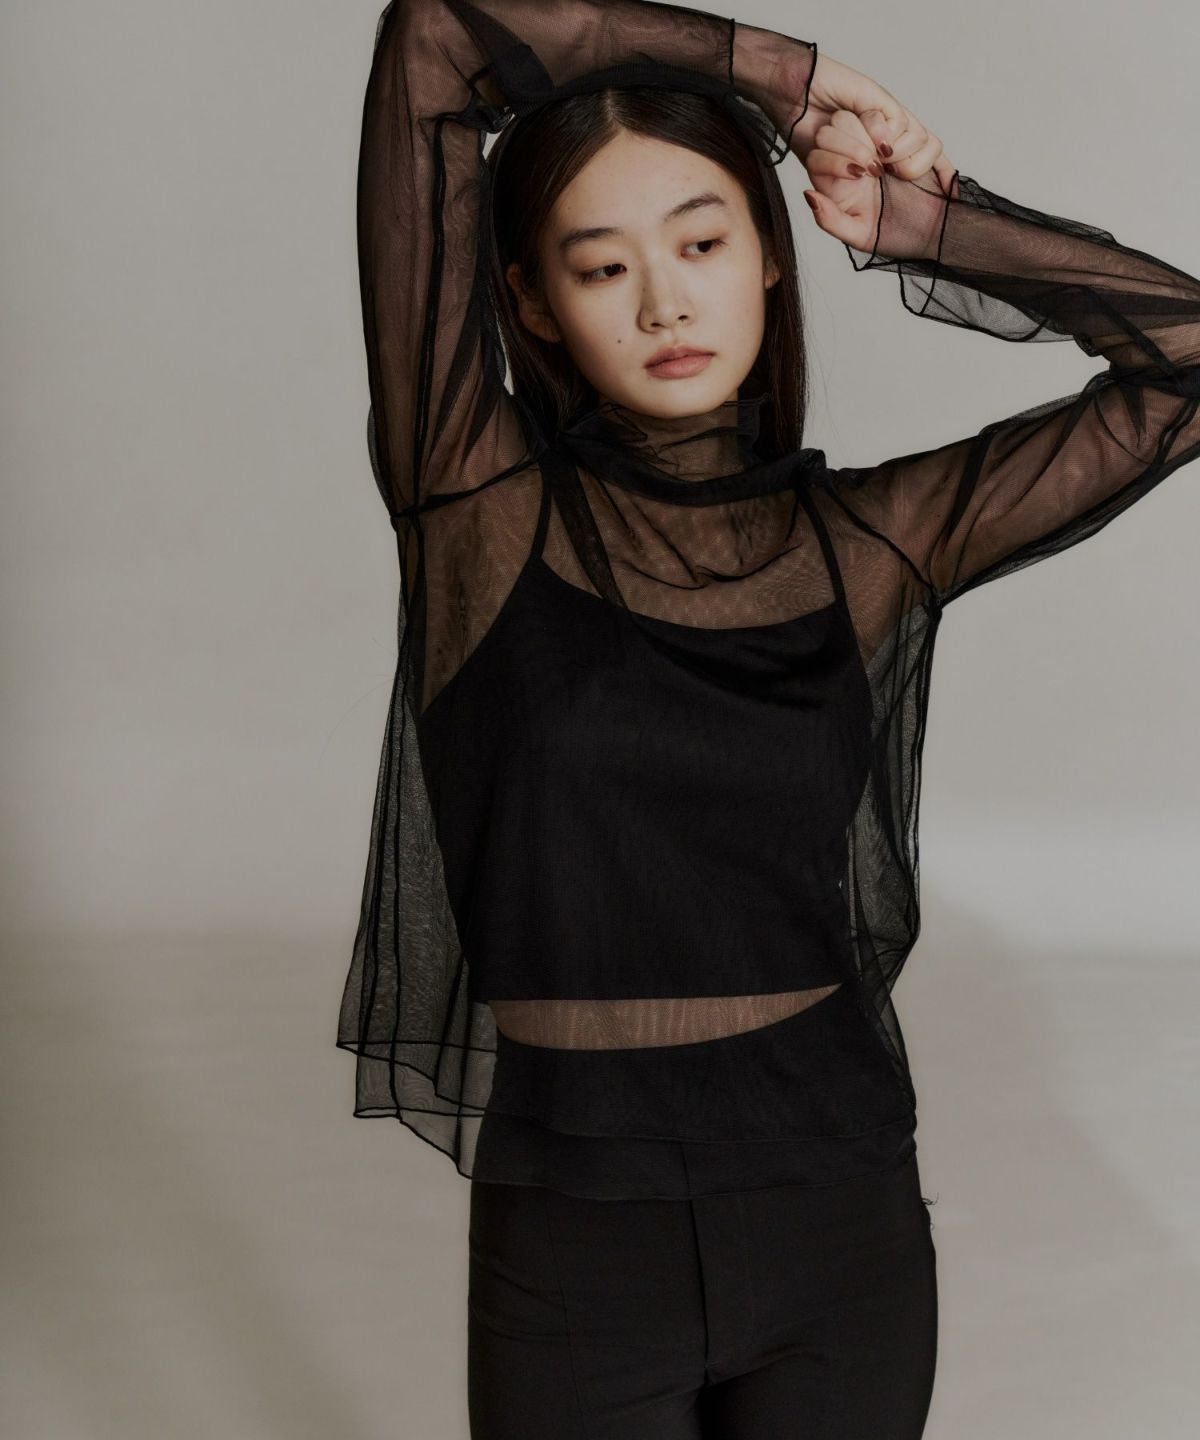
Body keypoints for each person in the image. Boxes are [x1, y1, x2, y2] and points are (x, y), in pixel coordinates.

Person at [336, 2, 1200, 1436]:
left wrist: (932, 229)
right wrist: (788, 81)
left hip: (839, 1225)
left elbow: (1188, 363)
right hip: (576, 1255)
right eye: (602, 266)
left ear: (770, 261)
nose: (663, 305)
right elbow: (434, 38)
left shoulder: (870, 546)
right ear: (533, 303)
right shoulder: (473, 508)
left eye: (702, 243)